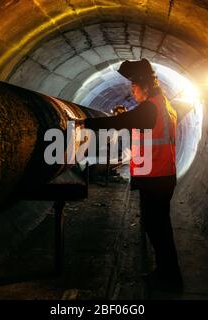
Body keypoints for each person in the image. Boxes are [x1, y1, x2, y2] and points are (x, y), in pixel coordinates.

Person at [84, 59, 183, 291]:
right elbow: (135, 123)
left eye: (134, 87)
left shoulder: (150, 107)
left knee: (157, 227)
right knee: (158, 226)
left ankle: (169, 276)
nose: (132, 90)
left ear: (145, 86)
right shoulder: (163, 104)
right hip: (161, 174)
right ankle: (167, 272)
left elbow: (124, 121)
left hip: (155, 177)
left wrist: (88, 122)